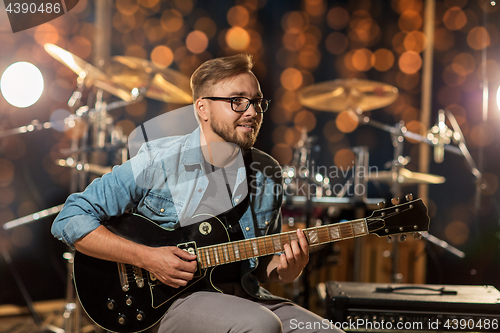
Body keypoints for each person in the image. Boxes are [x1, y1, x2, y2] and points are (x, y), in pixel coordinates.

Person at [52, 54, 344, 333]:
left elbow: (260, 264)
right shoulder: (159, 160)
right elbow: (70, 218)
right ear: (202, 108)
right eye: (237, 101)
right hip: (167, 302)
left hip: (244, 296)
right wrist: (147, 258)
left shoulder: (268, 172)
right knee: (261, 325)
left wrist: (286, 270)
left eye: (256, 102)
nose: (253, 112)